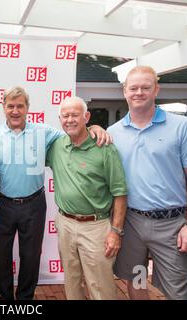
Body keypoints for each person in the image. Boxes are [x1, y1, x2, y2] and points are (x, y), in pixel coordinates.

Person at [0, 86, 111, 300]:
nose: (15, 111)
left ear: (27, 108)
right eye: (10, 106)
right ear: (3, 108)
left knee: (31, 256)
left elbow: (76, 133)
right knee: (2, 255)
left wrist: (95, 126)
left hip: (33, 204)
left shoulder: (44, 132)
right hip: (2, 204)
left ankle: (25, 299)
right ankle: (5, 299)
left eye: (20, 106)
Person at [108, 66, 187, 300]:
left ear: (156, 89)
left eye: (146, 87)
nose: (139, 92)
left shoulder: (181, 127)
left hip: (172, 225)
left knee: (175, 291)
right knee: (137, 279)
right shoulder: (113, 133)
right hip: (131, 224)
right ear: (124, 91)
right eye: (133, 88)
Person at [46, 97, 127, 300]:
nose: (70, 120)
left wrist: (116, 232)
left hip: (96, 226)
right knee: (72, 284)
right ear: (60, 119)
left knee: (100, 287)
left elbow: (120, 192)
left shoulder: (104, 147)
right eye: (65, 116)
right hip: (65, 224)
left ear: (86, 117)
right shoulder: (56, 146)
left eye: (75, 115)